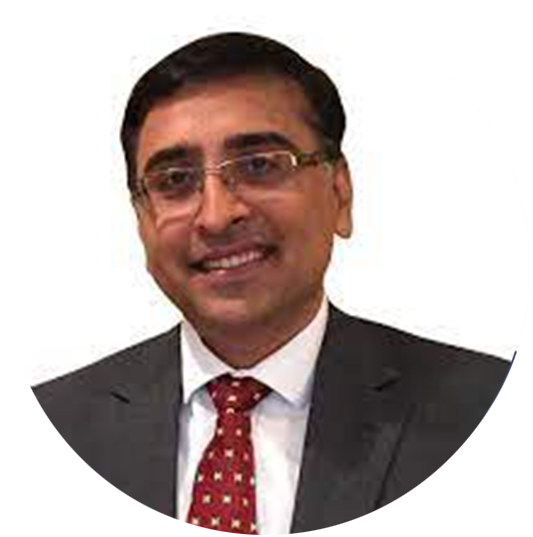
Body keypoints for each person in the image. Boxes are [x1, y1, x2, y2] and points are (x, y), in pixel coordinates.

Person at [3, 32, 527, 535]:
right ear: (141, 218)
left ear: (340, 192)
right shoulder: (50, 432)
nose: (216, 215)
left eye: (258, 166)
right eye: (175, 181)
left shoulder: (494, 415)